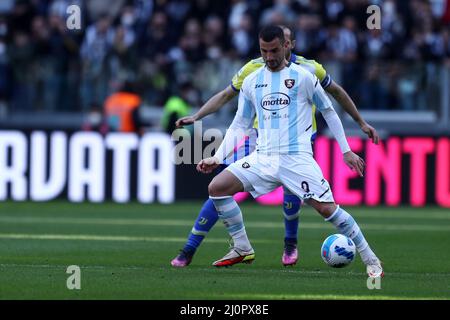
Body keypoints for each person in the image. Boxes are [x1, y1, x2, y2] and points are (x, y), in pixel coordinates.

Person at [171, 25, 379, 268]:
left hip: (296, 157)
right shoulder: (251, 80)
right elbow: (240, 122)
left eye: (274, 50)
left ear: (286, 46)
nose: (269, 57)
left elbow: (328, 110)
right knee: (217, 187)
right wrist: (218, 157)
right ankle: (242, 247)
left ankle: (371, 259)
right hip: (263, 157)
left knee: (327, 210)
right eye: (264, 51)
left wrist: (346, 150)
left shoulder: (305, 76)